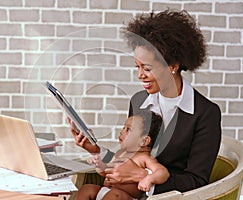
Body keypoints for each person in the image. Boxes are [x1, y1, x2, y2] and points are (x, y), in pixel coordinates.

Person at [69, 8, 221, 195]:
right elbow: (130, 155)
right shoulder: (139, 101)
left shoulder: (205, 114)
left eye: (147, 68)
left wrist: (143, 175)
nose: (140, 75)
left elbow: (197, 181)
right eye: (137, 67)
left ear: (173, 66)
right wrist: (95, 150)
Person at [75, 110, 169, 200]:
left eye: (128, 129)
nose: (122, 131)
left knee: (115, 195)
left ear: (144, 141)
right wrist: (99, 165)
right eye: (123, 128)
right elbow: (106, 172)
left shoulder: (145, 158)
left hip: (124, 197)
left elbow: (163, 172)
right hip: (106, 191)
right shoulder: (121, 153)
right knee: (86, 189)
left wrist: (149, 179)